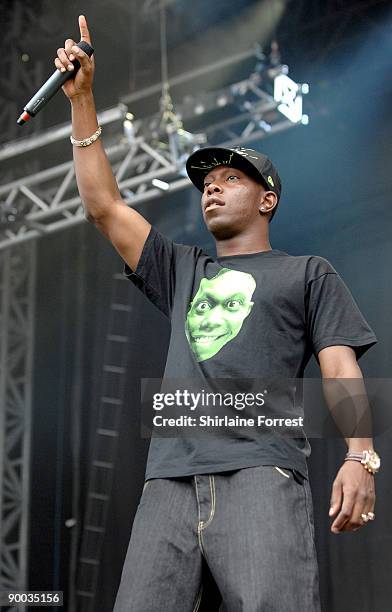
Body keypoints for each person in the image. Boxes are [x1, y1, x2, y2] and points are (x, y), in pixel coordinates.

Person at [56, 16, 380, 612]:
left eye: (231, 178)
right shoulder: (182, 268)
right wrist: (83, 99)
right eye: (207, 181)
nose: (212, 188)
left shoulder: (307, 272)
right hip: (169, 482)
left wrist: (360, 456)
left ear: (267, 198)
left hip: (261, 473)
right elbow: (103, 206)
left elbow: (340, 371)